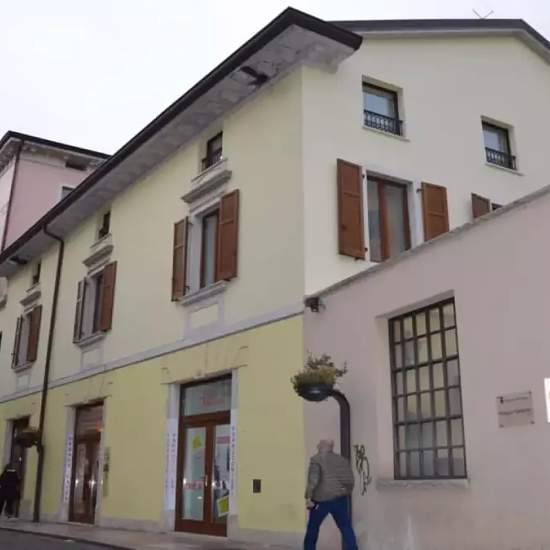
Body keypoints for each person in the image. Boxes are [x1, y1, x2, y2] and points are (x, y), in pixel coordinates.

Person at [304, 439, 358, 550]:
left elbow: (313, 480)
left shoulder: (316, 460)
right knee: (345, 527)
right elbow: (350, 481)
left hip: (321, 501)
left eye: (320, 444)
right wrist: (345, 492)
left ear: (325, 446)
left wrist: (308, 497)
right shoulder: (342, 460)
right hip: (340, 499)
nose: (317, 446)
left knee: (313, 528)